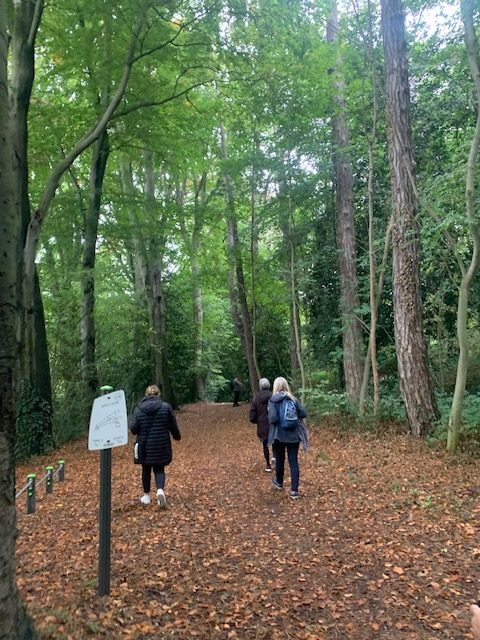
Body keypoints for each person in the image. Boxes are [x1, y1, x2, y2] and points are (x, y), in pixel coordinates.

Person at [130, 384, 181, 508]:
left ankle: (146, 496)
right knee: (159, 469)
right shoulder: (166, 407)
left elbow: (134, 429)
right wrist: (177, 436)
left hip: (144, 445)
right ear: (159, 394)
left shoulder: (138, 409)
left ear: (146, 395)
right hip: (161, 444)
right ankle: (160, 491)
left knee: (146, 469)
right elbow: (172, 425)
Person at [267, 376, 308, 499]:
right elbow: (303, 413)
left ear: (275, 387)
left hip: (279, 435)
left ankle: (279, 482)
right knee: (293, 461)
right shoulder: (293, 399)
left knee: (280, 460)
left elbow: (273, 419)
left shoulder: (273, 400)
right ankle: (294, 490)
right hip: (294, 435)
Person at [249, 378, 273, 471]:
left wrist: (255, 420)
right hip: (273, 423)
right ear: (269, 385)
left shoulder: (256, 397)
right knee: (275, 442)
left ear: (260, 386)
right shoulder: (273, 395)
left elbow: (252, 411)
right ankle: (275, 458)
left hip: (262, 424)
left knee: (265, 445)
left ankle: (268, 464)